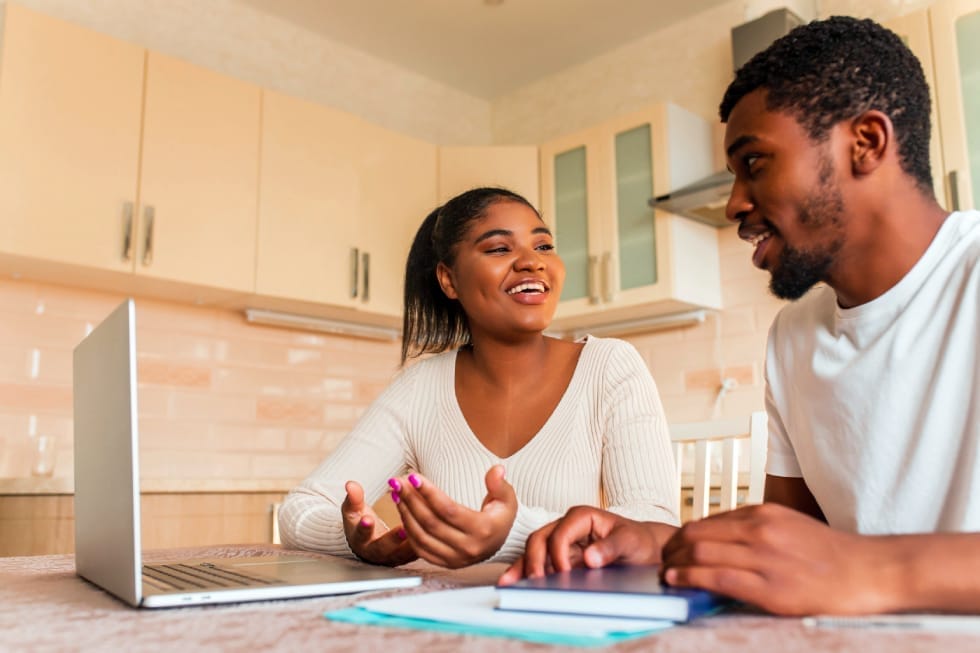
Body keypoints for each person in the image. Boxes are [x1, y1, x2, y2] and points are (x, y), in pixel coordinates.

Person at [500, 16, 980, 615]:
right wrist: (659, 544)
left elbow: (844, 564)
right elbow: (790, 544)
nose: (734, 205)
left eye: (755, 162)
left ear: (866, 143)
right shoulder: (794, 336)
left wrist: (870, 568)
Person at [278, 187, 678, 568]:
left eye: (543, 246)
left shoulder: (609, 367)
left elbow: (654, 522)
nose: (532, 261)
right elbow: (300, 509)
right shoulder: (420, 388)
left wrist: (508, 534)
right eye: (500, 248)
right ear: (449, 280)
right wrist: (355, 538)